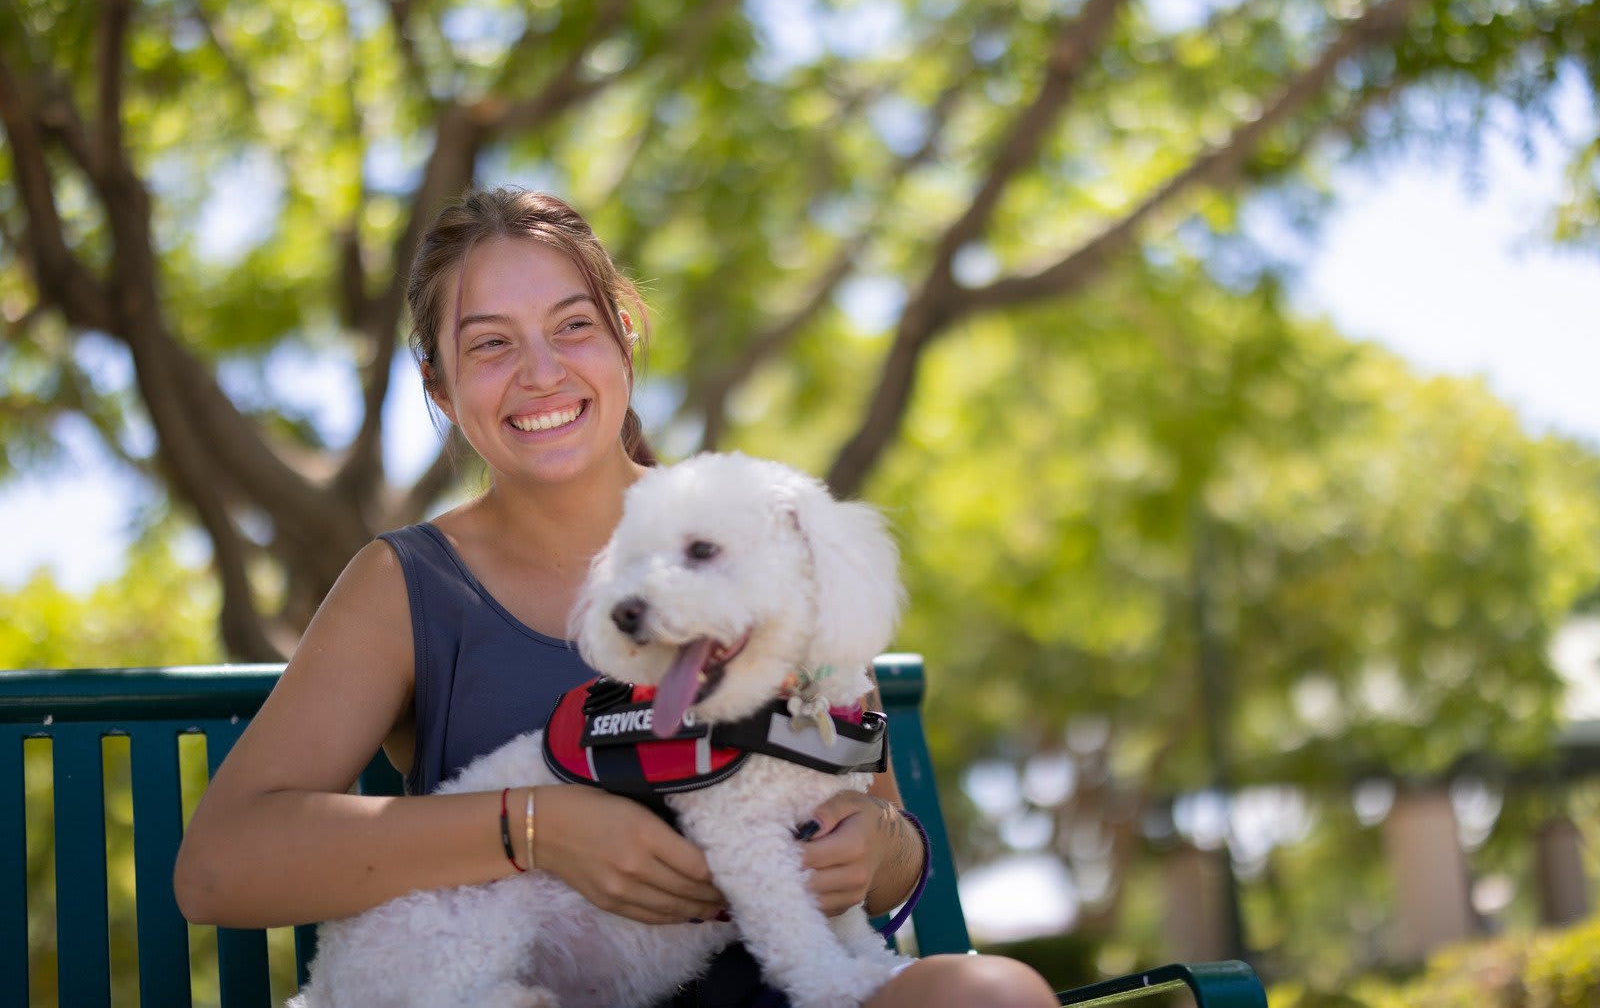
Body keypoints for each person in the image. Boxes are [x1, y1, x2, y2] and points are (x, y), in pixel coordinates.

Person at [173, 187, 1057, 1007]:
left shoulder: (758, 537)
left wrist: (876, 846)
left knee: (998, 995)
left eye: (573, 326)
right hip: (528, 982)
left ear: (625, 334)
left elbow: (888, 839)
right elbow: (221, 864)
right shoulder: (407, 583)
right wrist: (532, 827)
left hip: (782, 990)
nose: (542, 371)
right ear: (438, 386)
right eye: (489, 343)